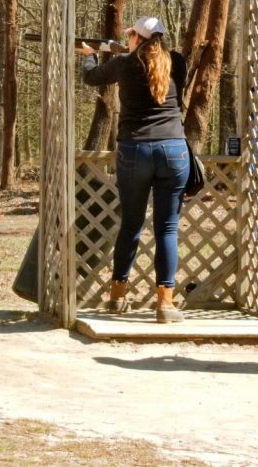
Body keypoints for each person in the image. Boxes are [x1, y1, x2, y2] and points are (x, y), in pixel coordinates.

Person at [79, 16, 190, 323]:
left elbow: (91, 78)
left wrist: (89, 56)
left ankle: (117, 296)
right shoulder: (176, 62)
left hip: (134, 150)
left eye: (130, 34)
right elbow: (170, 74)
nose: (126, 38)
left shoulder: (124, 64)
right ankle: (165, 304)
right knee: (167, 228)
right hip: (173, 150)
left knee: (131, 225)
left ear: (137, 38)